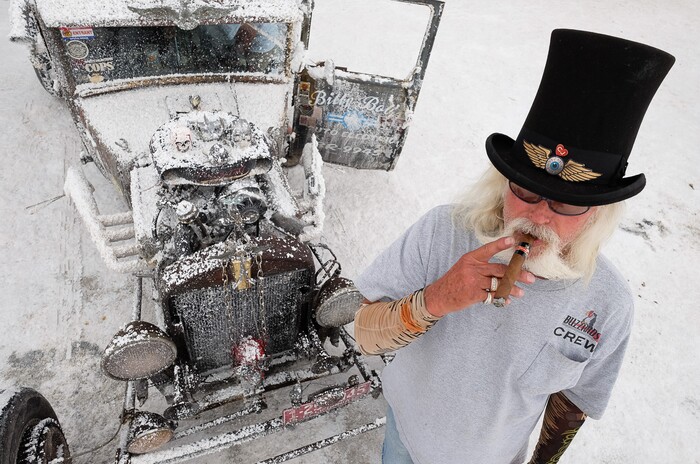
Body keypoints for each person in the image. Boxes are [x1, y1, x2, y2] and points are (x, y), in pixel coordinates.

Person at [353, 29, 674, 464]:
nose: (538, 216)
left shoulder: (606, 303)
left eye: (565, 203)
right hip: (405, 438)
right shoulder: (442, 231)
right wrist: (435, 299)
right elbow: (365, 334)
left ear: (597, 213)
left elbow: (573, 404)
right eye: (523, 191)